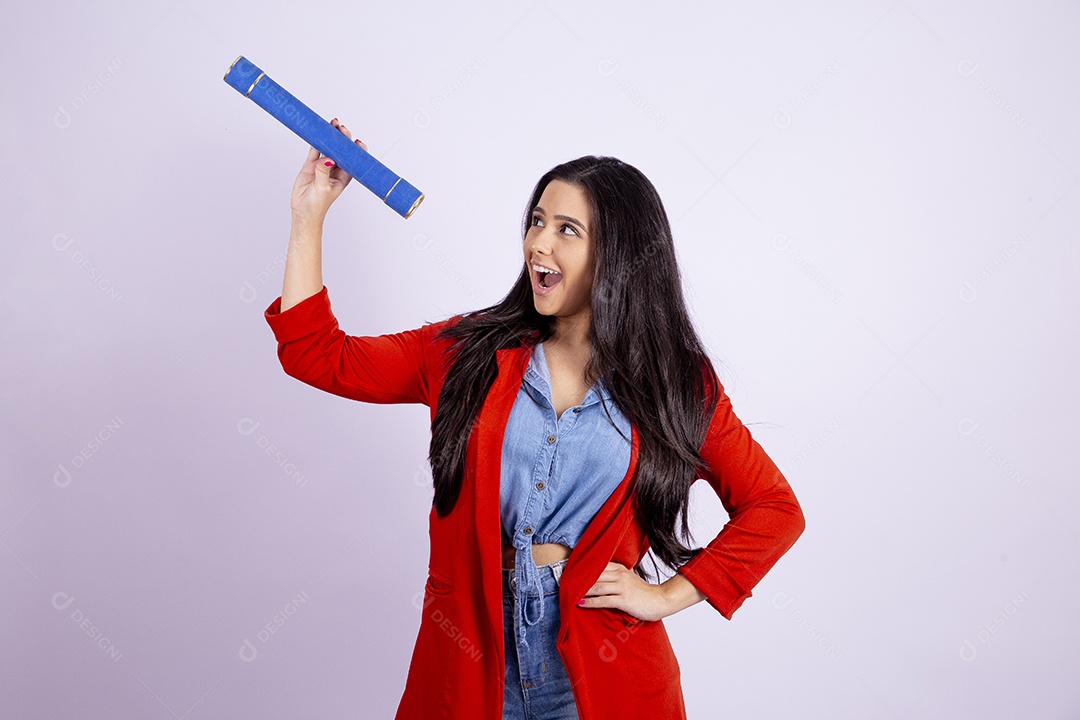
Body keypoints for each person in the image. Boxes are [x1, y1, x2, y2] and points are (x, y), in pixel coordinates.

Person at [264, 118, 806, 720]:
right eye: (537, 221)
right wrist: (308, 214)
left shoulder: (677, 385)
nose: (538, 244)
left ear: (619, 257)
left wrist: (666, 596)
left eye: (567, 229)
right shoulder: (468, 353)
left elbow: (774, 509)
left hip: (600, 670)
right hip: (472, 653)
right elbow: (318, 355)